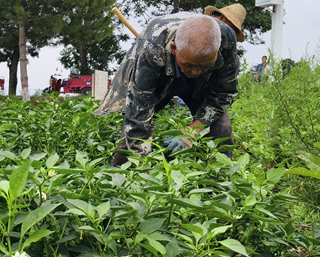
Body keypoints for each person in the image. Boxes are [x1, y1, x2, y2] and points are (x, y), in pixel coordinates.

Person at [94, 13, 240, 166]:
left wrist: (192, 130)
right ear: (174, 48)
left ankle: (218, 184)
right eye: (189, 65)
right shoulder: (151, 52)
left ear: (216, 52)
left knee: (221, 128)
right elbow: (139, 114)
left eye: (204, 66)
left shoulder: (226, 41)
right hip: (159, 73)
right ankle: (123, 177)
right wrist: (140, 170)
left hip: (203, 85)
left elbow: (223, 94)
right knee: (133, 135)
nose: (195, 72)